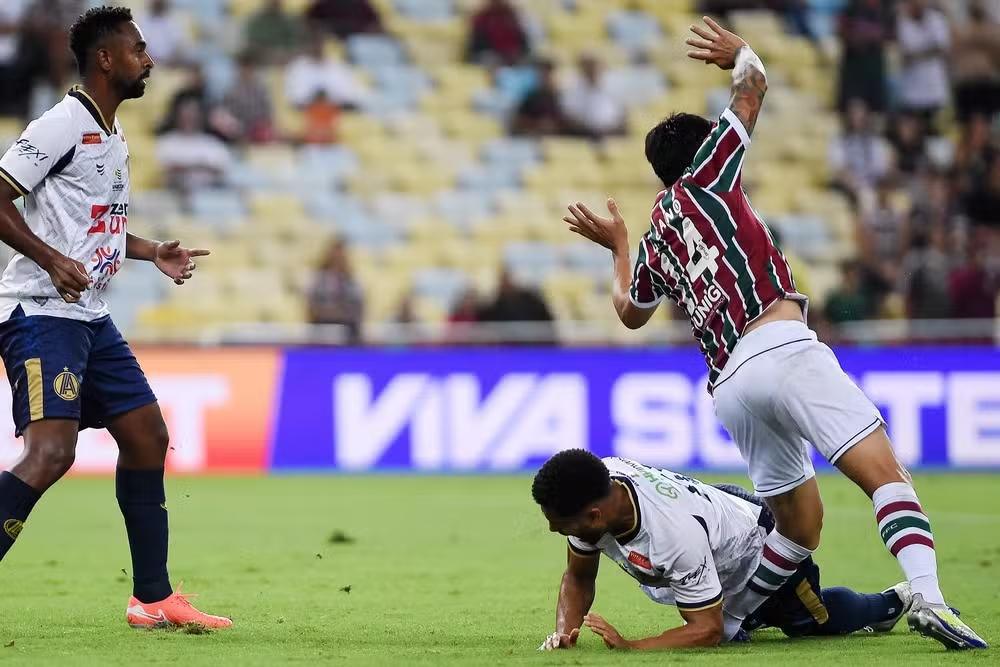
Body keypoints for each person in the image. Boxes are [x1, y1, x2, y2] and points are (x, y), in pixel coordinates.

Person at [561, 16, 985, 650]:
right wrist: (742, 52)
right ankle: (928, 593)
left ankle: (731, 621)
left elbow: (629, 312)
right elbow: (751, 89)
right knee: (885, 476)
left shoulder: (655, 238)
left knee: (798, 525)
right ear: (703, 150)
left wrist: (620, 246)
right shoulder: (708, 177)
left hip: (731, 384)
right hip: (781, 346)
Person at [0, 6, 230, 629]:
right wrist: (49, 259)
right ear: (106, 59)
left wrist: (153, 249)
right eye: (138, 48)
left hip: (89, 317)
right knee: (50, 454)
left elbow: (97, 225)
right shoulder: (60, 125)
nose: (148, 58)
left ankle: (153, 599)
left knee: (147, 436)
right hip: (41, 313)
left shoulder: (112, 133)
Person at [534, 450, 914, 651]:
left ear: (595, 516)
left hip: (753, 544)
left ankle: (893, 601)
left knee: (808, 622)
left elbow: (707, 630)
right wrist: (565, 633)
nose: (554, 530)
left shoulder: (670, 535)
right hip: (713, 520)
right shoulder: (597, 488)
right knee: (733, 620)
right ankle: (746, 616)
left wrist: (634, 647)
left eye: (560, 524)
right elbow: (578, 576)